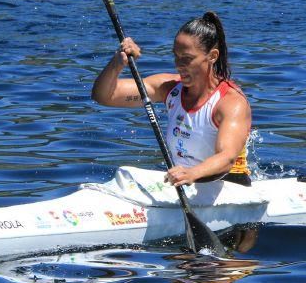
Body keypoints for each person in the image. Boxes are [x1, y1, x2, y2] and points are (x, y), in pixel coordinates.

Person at [91, 12, 253, 188]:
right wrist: (117, 63)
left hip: (229, 187)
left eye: (187, 59)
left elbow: (227, 157)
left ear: (212, 56)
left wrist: (192, 173)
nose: (178, 64)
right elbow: (104, 96)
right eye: (176, 56)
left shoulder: (230, 102)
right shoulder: (169, 88)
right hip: (185, 184)